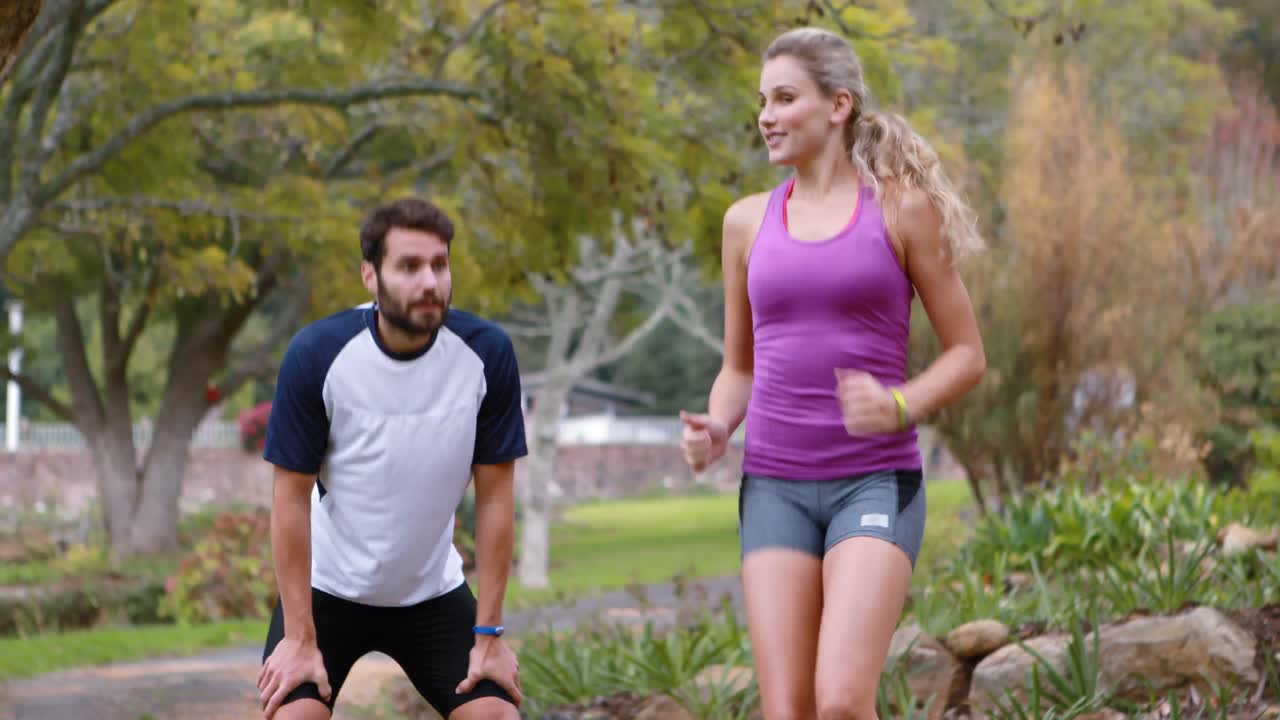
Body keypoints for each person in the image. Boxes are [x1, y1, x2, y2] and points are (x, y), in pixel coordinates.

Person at [679, 27, 986, 720]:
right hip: (774, 488)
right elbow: (739, 367)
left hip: (875, 480)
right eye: (762, 100)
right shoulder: (745, 223)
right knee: (788, 711)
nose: (766, 115)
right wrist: (718, 425)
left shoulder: (901, 208)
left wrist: (901, 404)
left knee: (843, 700)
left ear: (838, 105)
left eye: (785, 98)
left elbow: (968, 354)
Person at [255, 198, 526, 720]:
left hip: (432, 593)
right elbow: (288, 500)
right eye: (409, 266)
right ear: (370, 275)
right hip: (328, 593)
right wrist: (299, 637)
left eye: (439, 265)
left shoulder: (487, 354)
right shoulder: (317, 355)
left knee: (496, 717)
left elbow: (495, 499)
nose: (429, 281)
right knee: (294, 717)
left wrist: (489, 635)